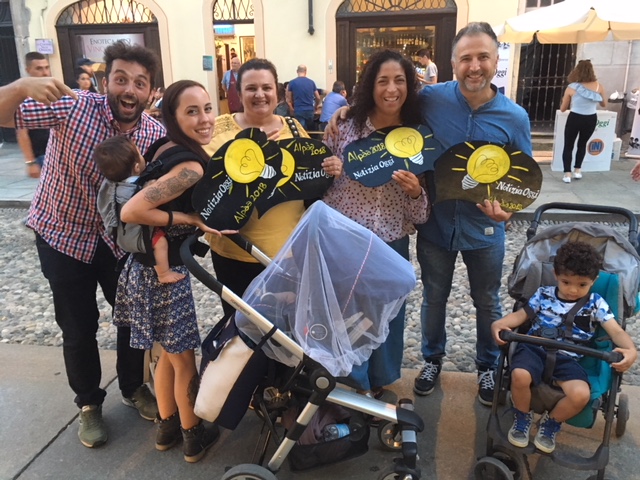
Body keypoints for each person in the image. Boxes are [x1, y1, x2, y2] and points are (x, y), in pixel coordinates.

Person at [327, 22, 532, 405]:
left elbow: (522, 177)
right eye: (466, 58)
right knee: (433, 297)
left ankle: (488, 367)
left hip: (484, 229)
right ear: (452, 63)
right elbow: (386, 96)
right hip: (435, 224)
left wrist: (509, 211)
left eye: (483, 57)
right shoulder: (431, 99)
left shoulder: (515, 117)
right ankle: (432, 360)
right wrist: (344, 111)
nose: (475, 66)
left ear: (496, 60)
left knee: (487, 301)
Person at [0, 40, 165, 448]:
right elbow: (6, 115)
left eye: (140, 83)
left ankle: (132, 387)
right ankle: (89, 403)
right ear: (105, 82)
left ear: (150, 92)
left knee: (131, 320)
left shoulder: (154, 133)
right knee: (78, 326)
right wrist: (20, 86)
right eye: (121, 79)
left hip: (117, 242)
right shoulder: (73, 106)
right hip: (61, 234)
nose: (129, 89)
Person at [114, 80, 226, 463]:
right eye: (192, 111)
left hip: (143, 269)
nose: (204, 118)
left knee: (166, 356)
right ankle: (193, 435)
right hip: (165, 277)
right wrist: (188, 218)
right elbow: (132, 211)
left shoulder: (164, 147)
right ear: (174, 117)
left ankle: (166, 426)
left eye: (207, 108)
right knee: (184, 361)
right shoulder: (190, 166)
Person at [321, 50, 429, 396]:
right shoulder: (345, 127)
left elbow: (421, 216)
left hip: (391, 243)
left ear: (410, 86)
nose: (391, 89)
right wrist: (330, 171)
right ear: (371, 85)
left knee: (387, 316)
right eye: (383, 81)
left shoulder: (416, 136)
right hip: (346, 241)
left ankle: (378, 383)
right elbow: (316, 182)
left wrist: (415, 193)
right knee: (347, 316)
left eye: (399, 80)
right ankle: (351, 386)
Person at [491, 241, 637, 453]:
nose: (572, 290)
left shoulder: (596, 303)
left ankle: (551, 422)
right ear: (556, 274)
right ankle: (522, 416)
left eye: (582, 285)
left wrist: (631, 350)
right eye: (566, 282)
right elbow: (521, 316)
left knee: (581, 395)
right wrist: (500, 323)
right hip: (535, 348)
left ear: (594, 281)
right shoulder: (543, 294)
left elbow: (615, 331)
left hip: (569, 357)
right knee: (519, 375)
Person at [204, 58, 309, 317]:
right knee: (239, 326)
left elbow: (311, 179)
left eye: (266, 87)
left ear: (277, 92)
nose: (260, 94)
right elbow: (208, 190)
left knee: (284, 327)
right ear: (239, 94)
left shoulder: (294, 128)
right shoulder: (218, 129)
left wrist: (331, 167)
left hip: (288, 253)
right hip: (234, 252)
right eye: (251, 88)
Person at [94, 135, 185, 284]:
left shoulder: (109, 185)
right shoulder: (133, 190)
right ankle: (164, 274)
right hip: (136, 236)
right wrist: (149, 187)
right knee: (160, 242)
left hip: (121, 235)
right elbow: (142, 203)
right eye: (140, 154)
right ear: (137, 167)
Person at [559, 60, 606, 183]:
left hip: (575, 117)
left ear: (577, 71)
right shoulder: (599, 86)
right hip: (590, 118)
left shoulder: (571, 87)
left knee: (568, 145)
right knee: (582, 144)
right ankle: (578, 170)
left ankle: (567, 174)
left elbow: (563, 109)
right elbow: (604, 104)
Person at [16, 52, 51, 179]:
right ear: (28, 70)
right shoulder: (23, 97)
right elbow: (22, 132)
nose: (45, 72)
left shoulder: (52, 92)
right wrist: (30, 162)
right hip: (42, 154)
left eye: (46, 67)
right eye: (39, 68)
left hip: (58, 151)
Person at [286, 64, 321, 129]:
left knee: (301, 130)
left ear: (297, 71)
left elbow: (288, 99)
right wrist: (315, 106)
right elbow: (318, 97)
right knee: (310, 130)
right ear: (305, 71)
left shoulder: (292, 83)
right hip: (310, 110)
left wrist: (291, 108)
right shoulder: (311, 82)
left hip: (298, 110)